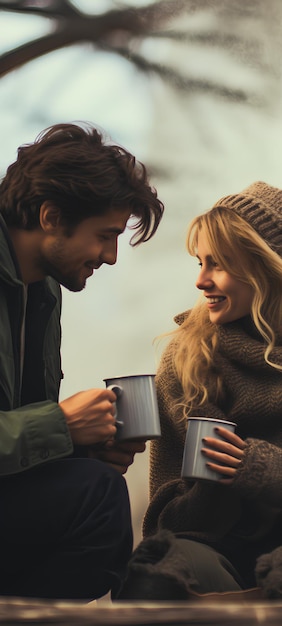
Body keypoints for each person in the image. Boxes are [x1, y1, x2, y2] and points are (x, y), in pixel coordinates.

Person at [0, 122, 164, 600]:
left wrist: (77, 449)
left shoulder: (42, 290)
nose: (110, 257)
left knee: (93, 493)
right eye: (105, 235)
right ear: (51, 216)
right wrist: (59, 426)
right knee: (96, 497)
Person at [117, 181, 282, 601]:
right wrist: (209, 480)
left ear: (266, 267)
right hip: (217, 552)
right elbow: (167, 524)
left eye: (218, 264)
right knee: (156, 573)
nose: (201, 280)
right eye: (199, 262)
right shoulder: (189, 357)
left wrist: (263, 471)